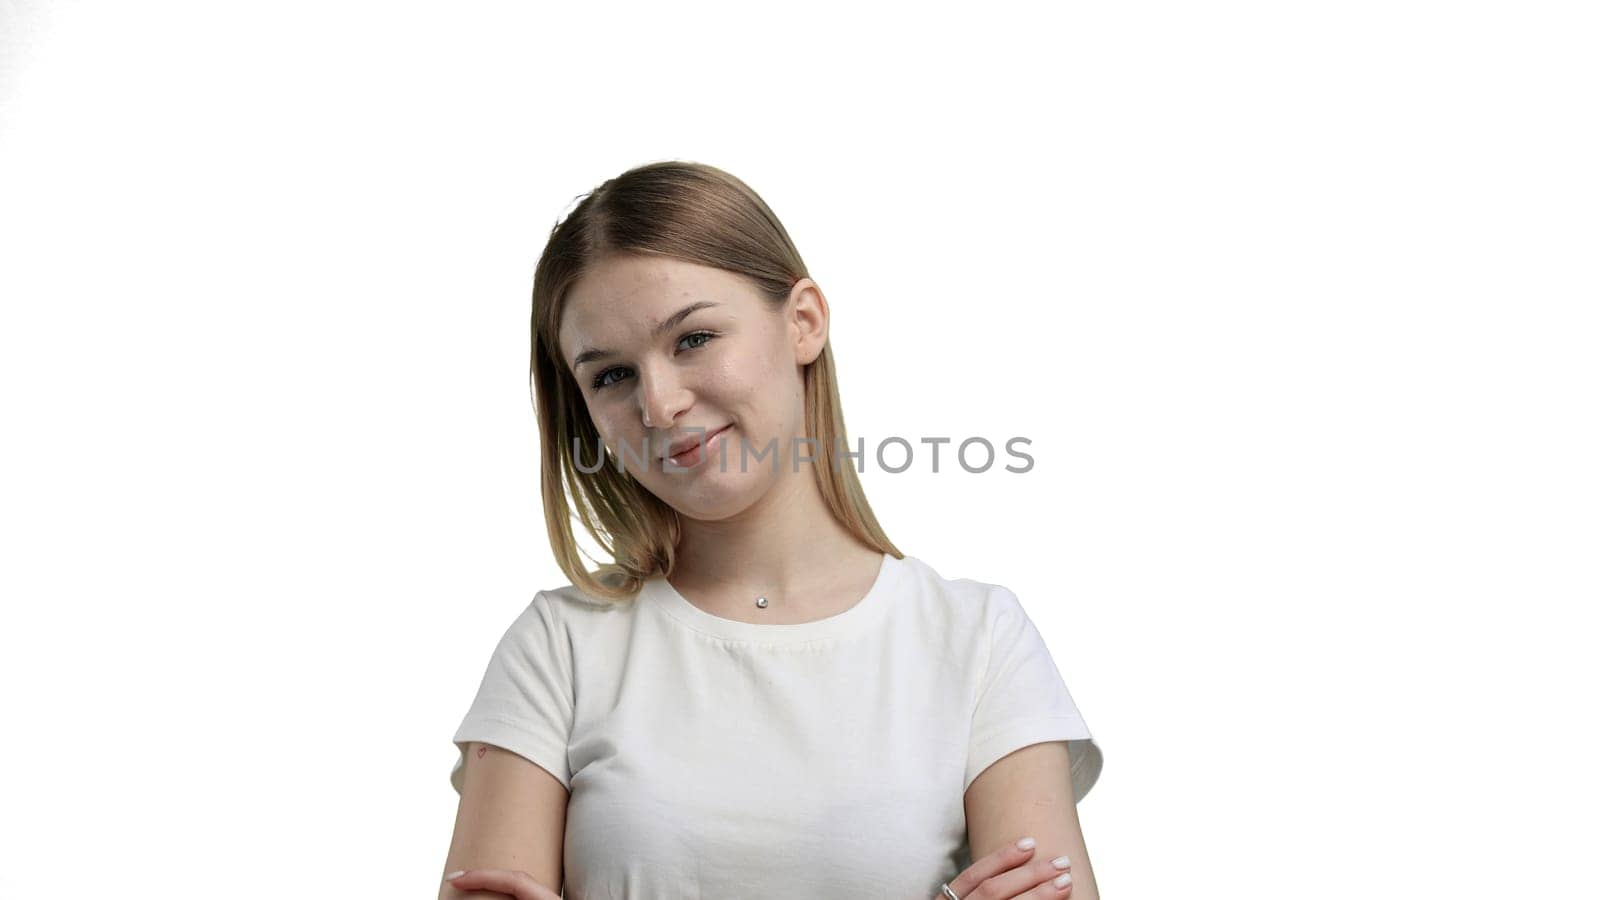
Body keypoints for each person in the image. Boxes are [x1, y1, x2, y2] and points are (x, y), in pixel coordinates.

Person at [437, 161, 1105, 899]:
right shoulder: (557, 650)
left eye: (692, 339)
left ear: (803, 323)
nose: (658, 404)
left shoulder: (979, 641)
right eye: (611, 376)